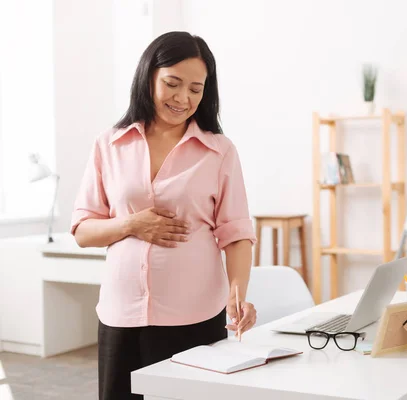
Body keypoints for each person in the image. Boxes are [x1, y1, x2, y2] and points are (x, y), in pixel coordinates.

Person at [70, 31, 257, 400]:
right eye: (172, 83)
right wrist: (132, 224)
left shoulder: (219, 151)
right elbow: (83, 231)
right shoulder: (110, 144)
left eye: (196, 89)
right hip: (121, 315)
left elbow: (235, 231)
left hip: (195, 316)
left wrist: (239, 294)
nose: (183, 98)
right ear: (148, 77)